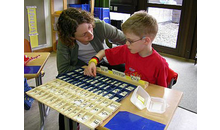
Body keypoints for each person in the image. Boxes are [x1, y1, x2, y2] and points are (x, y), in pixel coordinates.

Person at [56, 7, 126, 130]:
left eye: (89, 27)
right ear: (71, 37)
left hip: (103, 63)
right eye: (84, 34)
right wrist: (86, 67)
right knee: (65, 103)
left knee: (126, 78)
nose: (90, 34)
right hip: (80, 69)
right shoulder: (64, 41)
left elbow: (126, 39)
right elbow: (63, 70)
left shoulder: (99, 25)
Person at [84, 10, 169, 88]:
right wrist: (93, 62)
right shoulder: (127, 49)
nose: (126, 43)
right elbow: (104, 52)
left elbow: (161, 92)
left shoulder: (160, 64)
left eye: (130, 41)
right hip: (128, 90)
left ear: (146, 41)